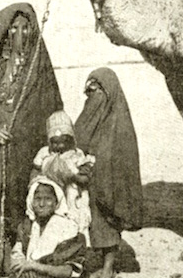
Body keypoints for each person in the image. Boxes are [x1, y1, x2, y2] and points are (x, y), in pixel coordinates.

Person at [0, 3, 63, 274]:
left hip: (27, 152)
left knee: (28, 202)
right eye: (14, 28)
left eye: (25, 28)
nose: (19, 33)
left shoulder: (38, 73)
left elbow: (50, 110)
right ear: (5, 33)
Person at [73, 68, 143, 278]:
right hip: (92, 183)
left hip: (109, 186)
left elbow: (122, 160)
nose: (93, 97)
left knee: (107, 225)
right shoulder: (91, 116)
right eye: (90, 92)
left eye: (97, 92)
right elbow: (79, 137)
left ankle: (108, 268)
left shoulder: (119, 124)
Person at [32, 110, 96, 244]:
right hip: (52, 197)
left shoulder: (76, 155)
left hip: (72, 198)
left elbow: (85, 179)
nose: (58, 146)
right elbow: (35, 171)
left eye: (63, 142)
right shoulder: (44, 153)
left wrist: (71, 176)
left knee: (74, 225)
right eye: (54, 142)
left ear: (70, 139)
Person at [10, 176, 87, 278]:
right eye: (37, 199)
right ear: (31, 201)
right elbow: (16, 258)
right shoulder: (27, 226)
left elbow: (69, 271)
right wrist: (24, 268)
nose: (42, 204)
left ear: (56, 202)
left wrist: (35, 267)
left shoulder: (68, 228)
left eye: (48, 199)